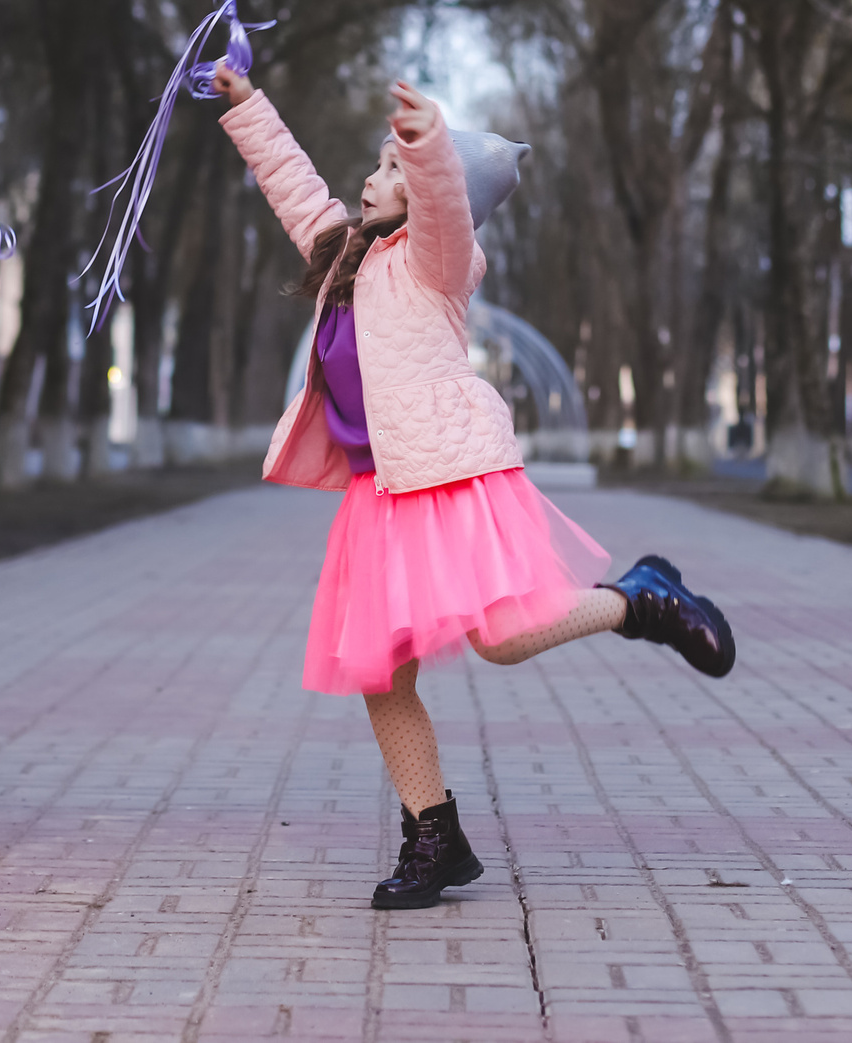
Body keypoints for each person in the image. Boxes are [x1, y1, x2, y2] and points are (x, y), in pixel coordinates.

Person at [213, 67, 734, 910]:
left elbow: (445, 209)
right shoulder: (348, 255)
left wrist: (425, 146)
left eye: (391, 168)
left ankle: (639, 599)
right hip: (381, 492)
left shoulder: (439, 261)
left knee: (503, 636)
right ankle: (435, 838)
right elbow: (294, 187)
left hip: (451, 477)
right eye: (379, 162)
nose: (372, 178)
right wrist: (248, 106)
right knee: (382, 673)